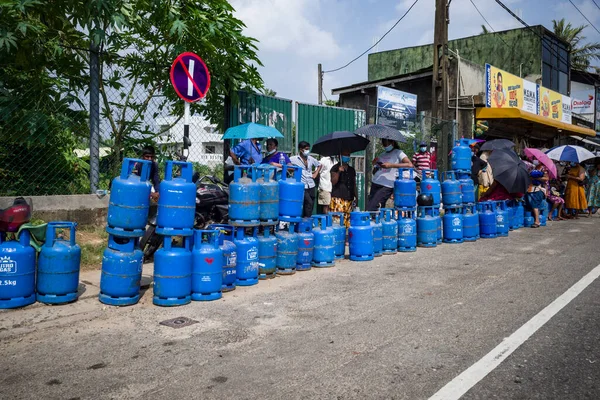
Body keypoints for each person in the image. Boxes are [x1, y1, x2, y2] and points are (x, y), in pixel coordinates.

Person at [366, 139, 413, 211]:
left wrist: (391, 165)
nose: (385, 146)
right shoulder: (382, 155)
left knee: (372, 207)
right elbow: (374, 172)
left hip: (387, 185)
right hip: (376, 182)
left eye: (386, 143)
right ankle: (377, 220)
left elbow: (409, 165)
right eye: (383, 144)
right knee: (375, 207)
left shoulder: (398, 153)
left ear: (392, 142)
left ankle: (372, 219)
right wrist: (375, 164)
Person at [290, 141, 322, 218]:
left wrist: (316, 173)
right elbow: (286, 164)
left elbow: (320, 165)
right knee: (308, 202)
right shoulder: (294, 159)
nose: (308, 151)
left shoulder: (310, 158)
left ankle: (307, 220)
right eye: (306, 149)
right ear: (301, 150)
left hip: (311, 184)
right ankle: (305, 219)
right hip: (302, 185)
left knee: (311, 204)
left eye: (308, 149)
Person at [329, 150, 357, 227]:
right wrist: (339, 171)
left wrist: (356, 197)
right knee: (337, 223)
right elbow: (333, 182)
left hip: (349, 199)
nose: (347, 157)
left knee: (348, 222)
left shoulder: (351, 170)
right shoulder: (335, 168)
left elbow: (354, 184)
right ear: (340, 156)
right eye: (345, 155)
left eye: (348, 155)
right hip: (338, 199)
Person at [525, 158, 548, 228]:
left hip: (537, 190)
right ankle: (534, 219)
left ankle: (537, 221)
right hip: (530, 189)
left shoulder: (543, 169)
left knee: (535, 205)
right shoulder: (532, 168)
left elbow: (546, 178)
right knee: (531, 205)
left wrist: (536, 178)